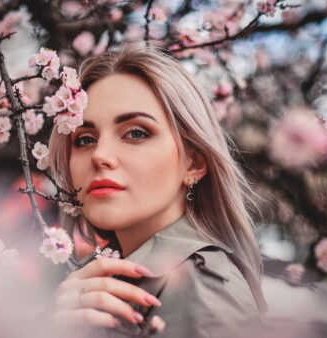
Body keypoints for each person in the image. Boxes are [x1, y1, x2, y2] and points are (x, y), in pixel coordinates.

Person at [46, 43, 267, 337]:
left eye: (136, 133)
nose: (100, 155)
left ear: (194, 163)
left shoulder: (200, 285)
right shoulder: (97, 280)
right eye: (85, 139)